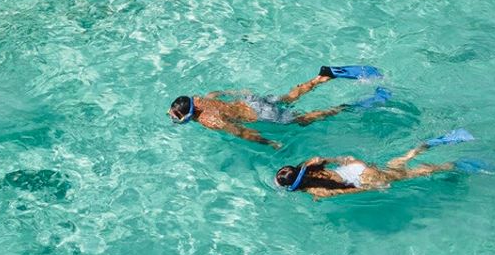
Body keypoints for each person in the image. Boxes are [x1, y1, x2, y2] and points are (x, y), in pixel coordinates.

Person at [168, 66, 387, 148]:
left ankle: (344, 107)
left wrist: (268, 141)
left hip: (260, 114)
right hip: (250, 101)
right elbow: (220, 93)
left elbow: (241, 132)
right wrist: (244, 94)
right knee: (288, 98)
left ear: (189, 114)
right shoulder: (199, 98)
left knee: (303, 120)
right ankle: (321, 77)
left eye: (177, 116)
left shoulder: (208, 121)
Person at [274, 133, 479, 197]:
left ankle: (455, 165)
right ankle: (426, 145)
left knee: (412, 174)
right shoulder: (309, 166)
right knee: (397, 163)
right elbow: (322, 159)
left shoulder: (317, 191)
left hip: (362, 177)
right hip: (352, 166)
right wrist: (342, 161)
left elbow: (347, 192)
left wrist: (369, 187)